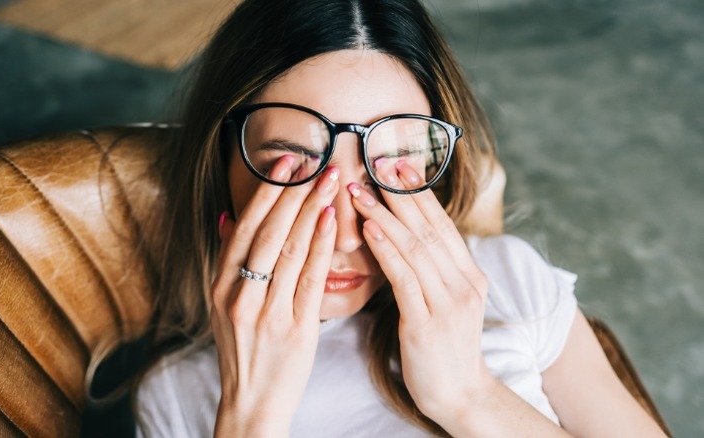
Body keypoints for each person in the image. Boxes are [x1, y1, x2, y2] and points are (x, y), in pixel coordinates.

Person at [133, 0, 667, 436]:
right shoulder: (176, 398)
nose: (343, 236)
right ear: (220, 164)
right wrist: (251, 420)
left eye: (389, 168)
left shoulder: (508, 284)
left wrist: (469, 396)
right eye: (289, 168)